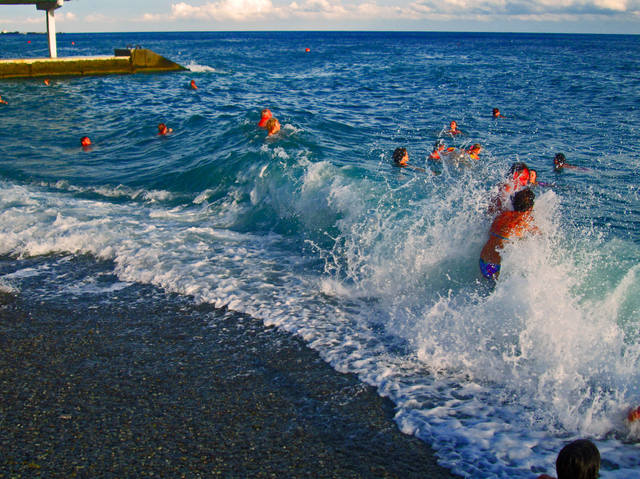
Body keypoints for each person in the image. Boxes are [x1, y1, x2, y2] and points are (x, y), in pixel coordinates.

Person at [479, 188, 537, 280]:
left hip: (483, 262)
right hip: (494, 268)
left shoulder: (502, 215)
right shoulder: (524, 221)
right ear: (530, 208)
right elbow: (538, 235)